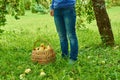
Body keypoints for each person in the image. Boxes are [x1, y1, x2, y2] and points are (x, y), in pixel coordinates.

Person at [50, 0, 78, 64]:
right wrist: (52, 7)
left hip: (68, 8)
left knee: (71, 35)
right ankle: (64, 56)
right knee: (61, 35)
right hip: (57, 9)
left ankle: (73, 58)